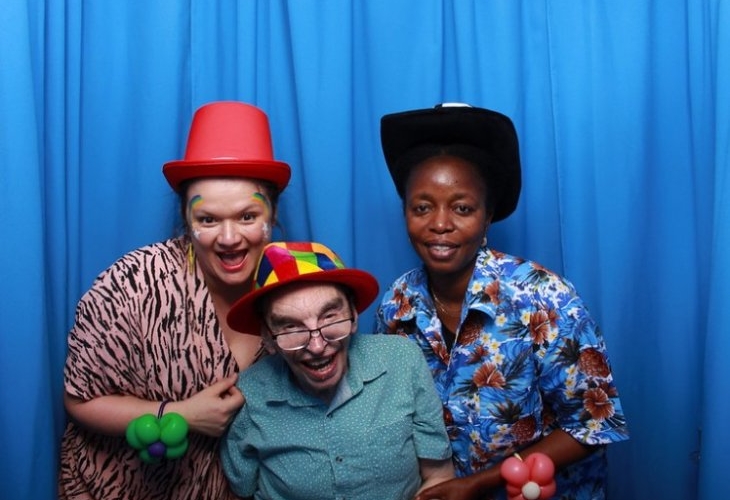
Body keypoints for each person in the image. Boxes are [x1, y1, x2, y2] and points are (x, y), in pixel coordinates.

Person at [374, 103, 629, 500]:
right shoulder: (396, 305)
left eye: (462, 208)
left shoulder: (543, 296)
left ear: (488, 215)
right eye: (421, 207)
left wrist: (476, 485)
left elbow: (592, 426)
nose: (440, 223)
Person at [59, 101, 292, 499]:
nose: (230, 237)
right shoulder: (133, 283)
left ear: (271, 216)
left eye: (248, 216)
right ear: (186, 220)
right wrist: (181, 414)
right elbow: (80, 398)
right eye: (208, 219)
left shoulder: (291, 287)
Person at [220, 241, 455, 500]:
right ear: (267, 337)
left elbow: (438, 477)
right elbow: (240, 490)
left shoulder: (402, 360)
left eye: (330, 316)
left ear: (353, 315)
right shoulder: (249, 395)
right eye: (291, 327)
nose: (317, 346)